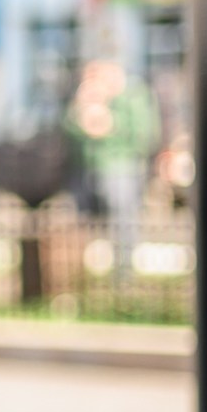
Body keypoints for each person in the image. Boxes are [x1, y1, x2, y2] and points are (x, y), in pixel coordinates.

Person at [68, 58, 159, 283]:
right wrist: (82, 113)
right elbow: (70, 128)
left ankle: (124, 273)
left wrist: (111, 125)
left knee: (123, 219)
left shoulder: (133, 96)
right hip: (89, 167)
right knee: (88, 220)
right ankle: (87, 272)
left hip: (121, 167)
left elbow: (144, 134)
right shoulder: (91, 96)